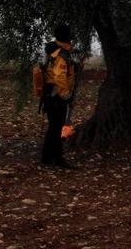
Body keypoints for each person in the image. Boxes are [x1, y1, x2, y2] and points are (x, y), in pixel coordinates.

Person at [40, 24, 80, 169]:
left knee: (54, 128)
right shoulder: (61, 54)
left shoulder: (55, 50)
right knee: (56, 128)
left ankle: (50, 158)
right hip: (56, 96)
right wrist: (66, 96)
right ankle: (54, 159)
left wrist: (74, 65)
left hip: (50, 96)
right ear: (67, 36)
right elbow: (59, 77)